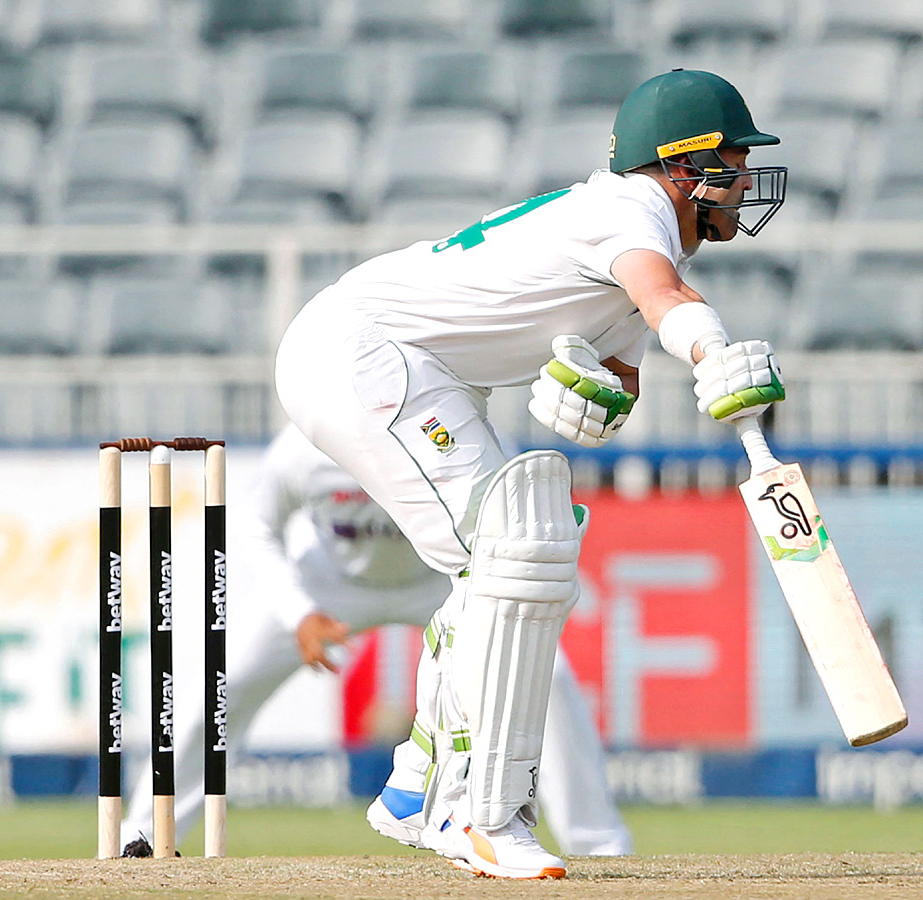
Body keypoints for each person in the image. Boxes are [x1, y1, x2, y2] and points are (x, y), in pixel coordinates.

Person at [273, 69, 788, 879]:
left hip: (410, 367)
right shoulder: (630, 213)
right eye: (733, 160)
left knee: (516, 556)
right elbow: (667, 299)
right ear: (685, 166)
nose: (748, 181)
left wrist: (593, 394)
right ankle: (474, 814)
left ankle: (416, 788)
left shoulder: (635, 240)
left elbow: (621, 370)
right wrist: (715, 352)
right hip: (360, 354)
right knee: (515, 554)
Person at [117, 423, 633, 858]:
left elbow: (507, 519)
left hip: (440, 577)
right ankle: (141, 838)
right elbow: (255, 525)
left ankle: (599, 845)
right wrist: (300, 614)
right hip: (330, 583)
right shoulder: (304, 447)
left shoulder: (448, 429)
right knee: (219, 685)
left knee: (547, 677)